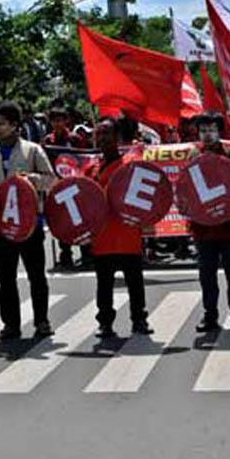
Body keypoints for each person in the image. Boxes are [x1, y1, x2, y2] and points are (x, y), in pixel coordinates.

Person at [0, 101, 55, 341]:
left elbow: (50, 179)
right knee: (6, 279)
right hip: (0, 227)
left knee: (36, 276)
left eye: (1, 123)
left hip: (29, 225)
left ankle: (42, 321)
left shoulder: (32, 151)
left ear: (14, 125)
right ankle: (10, 324)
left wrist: (31, 179)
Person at [186, 113, 230, 333]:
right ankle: (210, 316)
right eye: (203, 130)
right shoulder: (193, 158)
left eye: (211, 129)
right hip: (203, 230)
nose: (207, 134)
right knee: (207, 276)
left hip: (229, 229)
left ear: (219, 132)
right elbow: (186, 192)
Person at [85, 119, 153, 339]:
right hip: (102, 237)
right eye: (99, 133)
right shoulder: (91, 168)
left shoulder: (131, 165)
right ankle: (105, 322)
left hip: (127, 235)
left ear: (117, 138)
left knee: (135, 282)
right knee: (104, 285)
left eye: (107, 133)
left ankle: (139, 320)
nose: (102, 138)